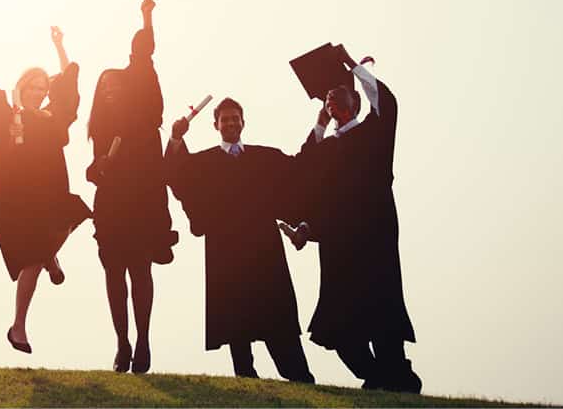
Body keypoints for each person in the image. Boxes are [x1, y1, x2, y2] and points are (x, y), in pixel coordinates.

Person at [287, 49, 421, 392]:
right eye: (328, 96)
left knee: (381, 314)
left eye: (340, 91)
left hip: (373, 242)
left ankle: (396, 376)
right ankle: (378, 376)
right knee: (339, 327)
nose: (331, 95)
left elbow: (386, 102)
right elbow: (304, 172)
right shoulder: (328, 148)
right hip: (339, 249)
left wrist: (352, 66)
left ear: (357, 103)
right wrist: (306, 228)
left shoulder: (374, 135)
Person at [165, 97, 314, 383]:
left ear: (243, 122)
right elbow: (175, 174)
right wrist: (175, 137)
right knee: (235, 317)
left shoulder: (264, 157)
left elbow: (299, 167)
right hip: (226, 249)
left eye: (235, 118)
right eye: (225, 119)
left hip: (264, 250)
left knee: (277, 314)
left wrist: (319, 127)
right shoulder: (203, 162)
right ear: (216, 125)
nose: (231, 123)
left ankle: (300, 377)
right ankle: (245, 378)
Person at [85, 0, 178, 374]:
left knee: (140, 270)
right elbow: (91, 171)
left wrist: (146, 15)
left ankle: (143, 341)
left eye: (114, 83)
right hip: (111, 204)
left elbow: (141, 58)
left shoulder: (142, 116)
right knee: (113, 272)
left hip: (142, 200)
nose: (108, 87)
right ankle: (121, 342)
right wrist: (99, 165)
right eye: (102, 85)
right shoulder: (101, 131)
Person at [0, 27, 92, 354]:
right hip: (16, 189)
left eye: (43, 88)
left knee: (75, 214)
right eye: (33, 86)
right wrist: (11, 118)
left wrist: (60, 45)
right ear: (21, 87)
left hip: (50, 184)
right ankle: (18, 327)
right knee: (31, 258)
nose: (39, 92)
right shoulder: (8, 112)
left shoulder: (51, 116)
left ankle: (49, 254)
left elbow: (68, 90)